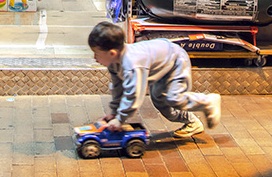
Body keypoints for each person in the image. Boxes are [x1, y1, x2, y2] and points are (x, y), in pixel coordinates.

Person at [88, 21, 221, 138]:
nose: (95, 58)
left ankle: (208, 101)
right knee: (160, 102)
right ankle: (192, 122)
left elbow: (134, 95)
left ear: (112, 53)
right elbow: (118, 89)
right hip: (159, 67)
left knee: (174, 98)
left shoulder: (132, 64)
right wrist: (114, 113)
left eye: (97, 54)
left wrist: (120, 119)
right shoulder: (113, 64)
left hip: (175, 60)